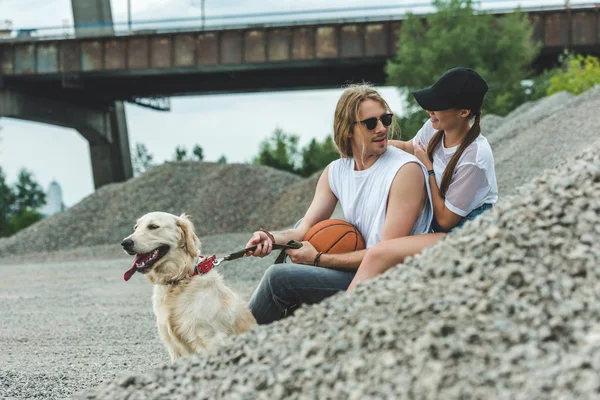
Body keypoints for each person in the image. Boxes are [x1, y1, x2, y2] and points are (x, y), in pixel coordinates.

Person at [245, 83, 434, 324]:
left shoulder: (405, 171)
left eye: (385, 119)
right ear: (348, 131)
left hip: (384, 277)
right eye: (370, 123)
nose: (382, 128)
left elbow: (386, 256)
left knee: (278, 279)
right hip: (356, 264)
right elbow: (302, 230)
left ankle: (232, 349)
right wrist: (269, 238)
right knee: (305, 227)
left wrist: (318, 259)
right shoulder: (335, 171)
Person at [347, 67, 498, 291]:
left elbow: (447, 220)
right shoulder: (437, 127)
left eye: (437, 104)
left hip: (463, 233)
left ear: (464, 112)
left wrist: (428, 169)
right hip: (436, 225)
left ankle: (343, 311)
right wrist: (366, 146)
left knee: (381, 252)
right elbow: (410, 147)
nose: (429, 109)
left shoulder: (474, 158)